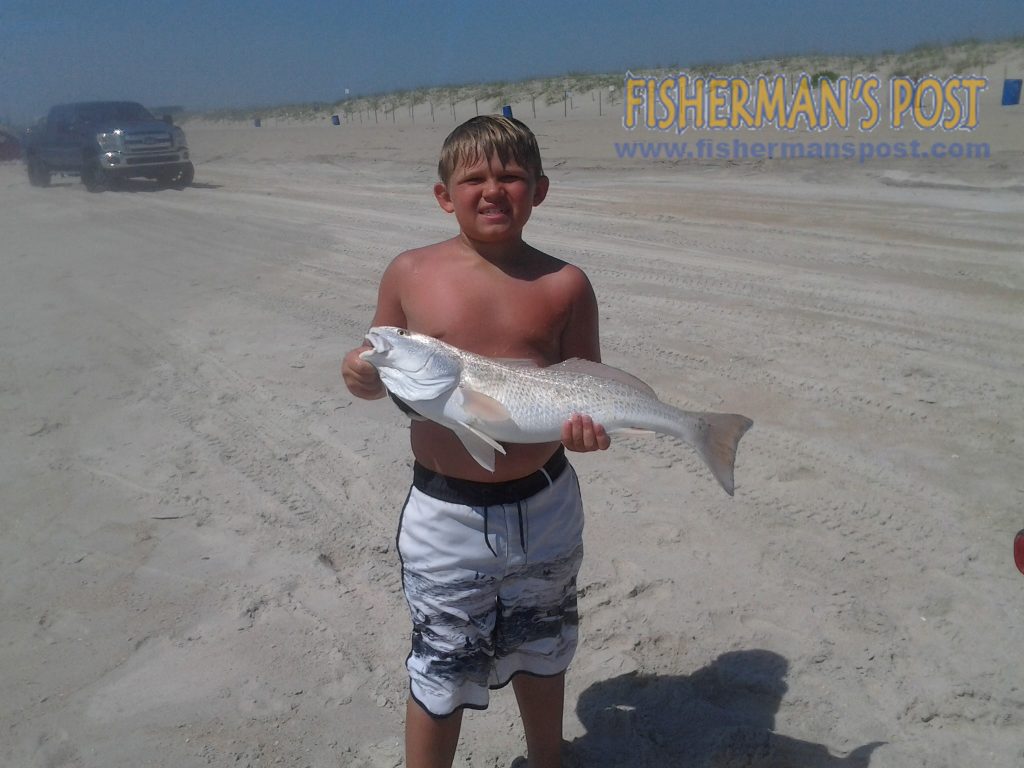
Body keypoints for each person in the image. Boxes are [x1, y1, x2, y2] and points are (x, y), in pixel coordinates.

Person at [342, 115, 609, 768]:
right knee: (442, 663)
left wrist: (586, 433)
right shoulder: (409, 272)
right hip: (445, 514)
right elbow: (382, 368)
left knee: (544, 646)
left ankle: (550, 759)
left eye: (511, 176)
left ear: (538, 190)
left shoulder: (565, 283)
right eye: (474, 178)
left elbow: (586, 385)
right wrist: (358, 373)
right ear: (444, 194)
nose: (493, 189)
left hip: (545, 506)